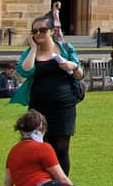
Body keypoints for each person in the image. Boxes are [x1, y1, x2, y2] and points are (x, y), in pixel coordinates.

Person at [0, 109, 104, 186]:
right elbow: (62, 179)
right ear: (42, 128)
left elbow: (7, 185)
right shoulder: (43, 148)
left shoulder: (13, 151)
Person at [11, 16, 83, 174]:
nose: (38, 33)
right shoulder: (31, 52)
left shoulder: (65, 48)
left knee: (61, 147)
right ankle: (42, 183)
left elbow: (79, 75)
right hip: (38, 107)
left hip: (63, 107)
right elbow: (24, 71)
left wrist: (73, 66)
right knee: (38, 146)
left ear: (52, 31)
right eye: (35, 31)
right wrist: (33, 49)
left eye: (42, 30)